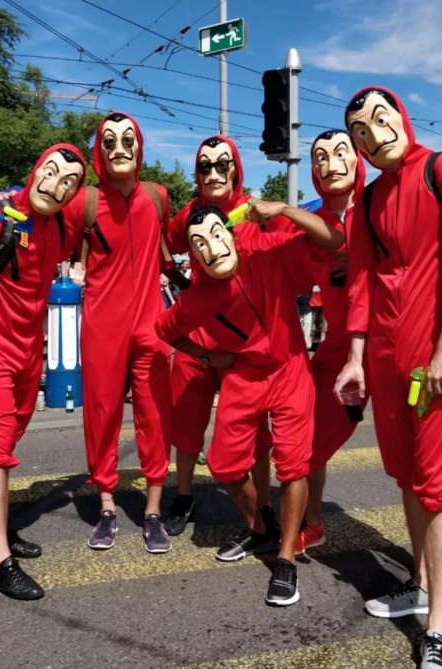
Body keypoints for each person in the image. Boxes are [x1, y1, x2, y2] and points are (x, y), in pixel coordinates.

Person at [335, 87, 442, 669]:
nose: (372, 135)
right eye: (359, 132)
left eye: (379, 119)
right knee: (406, 476)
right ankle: (419, 585)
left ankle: (439, 629)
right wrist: (355, 358)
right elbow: (363, 287)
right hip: (387, 357)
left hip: (439, 357)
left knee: (441, 487)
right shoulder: (371, 200)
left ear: (401, 117)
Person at [155, 202, 342, 606]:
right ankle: (260, 527)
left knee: (294, 465)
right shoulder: (197, 297)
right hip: (243, 376)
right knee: (224, 463)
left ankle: (286, 557)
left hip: (291, 368)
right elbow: (165, 329)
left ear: (231, 232)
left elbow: (332, 240)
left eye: (216, 233)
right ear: (192, 253)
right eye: (198, 243)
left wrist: (285, 210)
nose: (211, 247)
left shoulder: (267, 251)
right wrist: (207, 357)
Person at [0, 143, 86, 600]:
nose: (57, 185)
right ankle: (0, 561)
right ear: (35, 169)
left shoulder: (57, 226)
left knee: (9, 442)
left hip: (28, 355)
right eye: (52, 172)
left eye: (69, 182)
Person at [161, 134, 284, 547]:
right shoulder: (190, 212)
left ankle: (263, 506)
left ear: (236, 169)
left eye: (222, 164)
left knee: (258, 435)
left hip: (246, 345)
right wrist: (181, 284)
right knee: (187, 422)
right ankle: (183, 497)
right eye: (204, 166)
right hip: (199, 339)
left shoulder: (256, 214)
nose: (213, 173)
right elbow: (164, 243)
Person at [63, 112, 174, 553]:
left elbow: (196, 237)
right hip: (102, 326)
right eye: (108, 142)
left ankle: (152, 511)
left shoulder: (158, 196)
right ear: (99, 151)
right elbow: (50, 233)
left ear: (139, 146)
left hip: (151, 324)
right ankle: (107, 505)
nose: (119, 148)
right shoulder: (84, 202)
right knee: (102, 414)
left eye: (128, 139)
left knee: (155, 417)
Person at [297, 129, 368, 556]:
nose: (330, 163)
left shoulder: (380, 209)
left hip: (393, 345)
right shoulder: (312, 224)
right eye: (320, 156)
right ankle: (312, 520)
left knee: (414, 463)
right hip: (339, 348)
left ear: (358, 161)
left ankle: (424, 572)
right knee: (311, 446)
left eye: (341, 152)